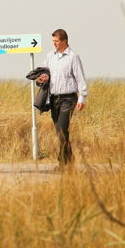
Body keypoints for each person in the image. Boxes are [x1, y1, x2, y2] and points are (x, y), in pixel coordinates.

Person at [38, 29, 88, 171]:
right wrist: (42, 78)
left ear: (64, 41)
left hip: (69, 98)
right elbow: (44, 73)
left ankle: (62, 162)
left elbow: (80, 77)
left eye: (57, 41)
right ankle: (69, 160)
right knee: (60, 131)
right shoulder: (50, 56)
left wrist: (82, 97)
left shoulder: (73, 57)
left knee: (62, 129)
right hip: (54, 99)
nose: (54, 44)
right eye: (53, 41)